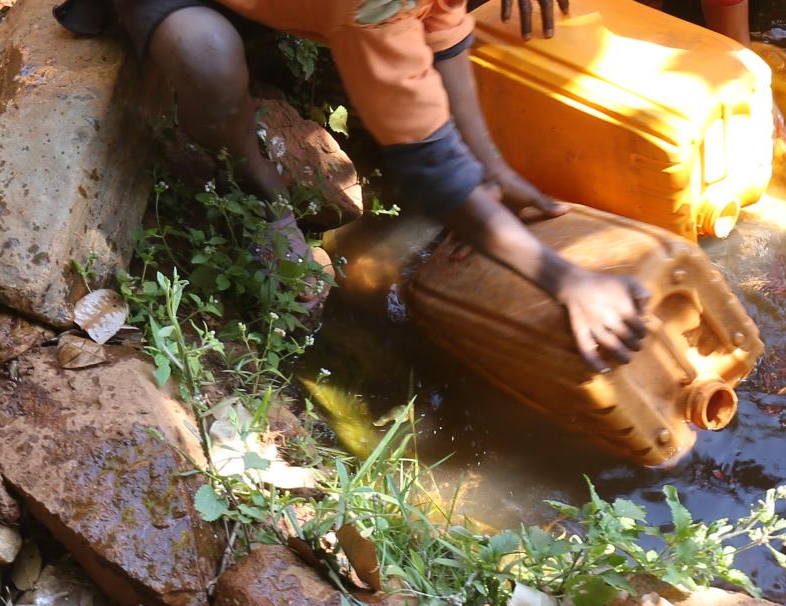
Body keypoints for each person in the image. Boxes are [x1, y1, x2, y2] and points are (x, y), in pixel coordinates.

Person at [51, 0, 653, 370]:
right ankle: (259, 183)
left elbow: (443, 29)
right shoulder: (378, 8)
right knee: (205, 55)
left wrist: (490, 165)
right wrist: (567, 281)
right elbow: (433, 173)